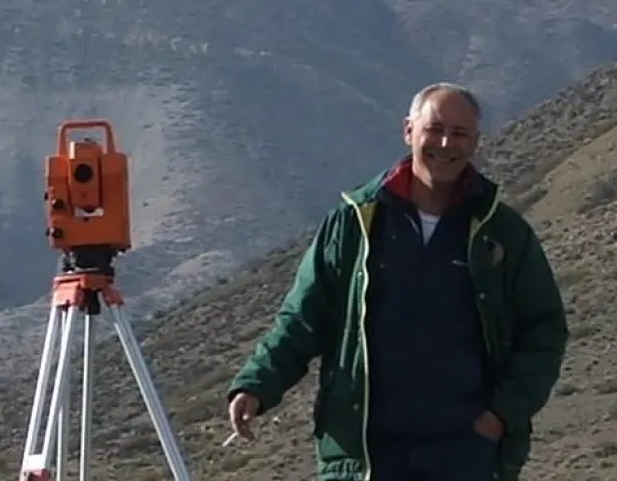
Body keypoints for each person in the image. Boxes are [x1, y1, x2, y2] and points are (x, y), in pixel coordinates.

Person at [225, 82, 569, 481]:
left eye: (459, 133)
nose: (445, 143)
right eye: (434, 129)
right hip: (365, 455)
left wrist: (499, 416)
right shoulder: (354, 223)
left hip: (464, 457)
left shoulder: (503, 233)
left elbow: (544, 330)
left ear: (476, 142)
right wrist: (257, 383)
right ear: (409, 130)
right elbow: (303, 318)